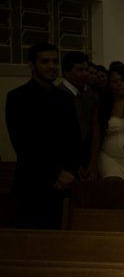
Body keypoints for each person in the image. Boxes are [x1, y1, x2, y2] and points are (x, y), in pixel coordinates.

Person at [4, 43, 81, 229]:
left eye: (55, 61)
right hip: (32, 184)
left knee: (61, 242)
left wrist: (70, 171)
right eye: (45, 61)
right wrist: (57, 172)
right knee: (32, 246)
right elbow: (23, 144)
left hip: (64, 185)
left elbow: (74, 138)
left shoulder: (65, 98)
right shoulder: (17, 97)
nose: (52, 66)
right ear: (32, 65)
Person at [58, 50, 100, 180]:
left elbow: (95, 130)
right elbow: (59, 136)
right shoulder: (59, 94)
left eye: (86, 70)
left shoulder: (89, 93)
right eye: (80, 70)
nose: (85, 74)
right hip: (64, 156)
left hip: (88, 152)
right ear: (67, 72)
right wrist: (74, 165)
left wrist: (93, 162)